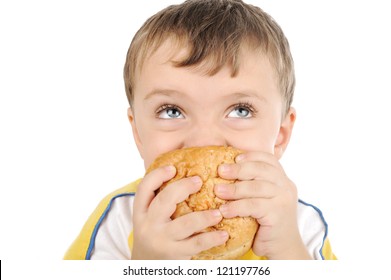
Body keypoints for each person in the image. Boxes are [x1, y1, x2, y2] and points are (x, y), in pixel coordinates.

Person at [64, 0, 336, 260]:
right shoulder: (117, 220)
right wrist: (146, 264)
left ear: (280, 134)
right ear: (138, 133)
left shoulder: (299, 224)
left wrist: (288, 251)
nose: (205, 141)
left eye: (240, 110)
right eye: (172, 111)